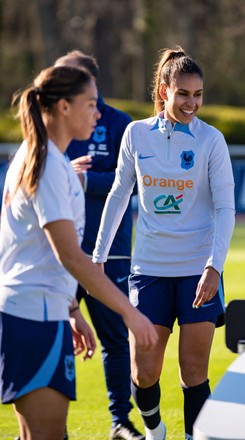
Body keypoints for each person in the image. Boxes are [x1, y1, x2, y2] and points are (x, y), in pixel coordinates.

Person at [0, 65, 158, 440]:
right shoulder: (48, 164)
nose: (98, 113)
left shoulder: (40, 156)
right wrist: (130, 313)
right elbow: (69, 255)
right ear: (64, 107)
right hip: (32, 317)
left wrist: (70, 309)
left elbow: (35, 250)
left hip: (37, 312)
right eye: (90, 104)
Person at [92, 46, 235, 440]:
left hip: (198, 272)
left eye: (198, 94)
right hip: (149, 271)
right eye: (184, 94)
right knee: (146, 372)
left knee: (193, 371)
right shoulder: (136, 133)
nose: (192, 103)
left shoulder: (212, 141)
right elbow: (120, 194)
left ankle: (194, 437)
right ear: (163, 90)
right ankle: (155, 430)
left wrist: (214, 266)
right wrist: (99, 256)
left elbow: (225, 209)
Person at [54, 50, 144, 440]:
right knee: (53, 336)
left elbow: (136, 182)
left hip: (109, 254)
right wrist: (63, 173)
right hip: (60, 256)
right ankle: (50, 423)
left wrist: (86, 182)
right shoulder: (50, 128)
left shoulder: (122, 124)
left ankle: (120, 421)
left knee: (113, 339)